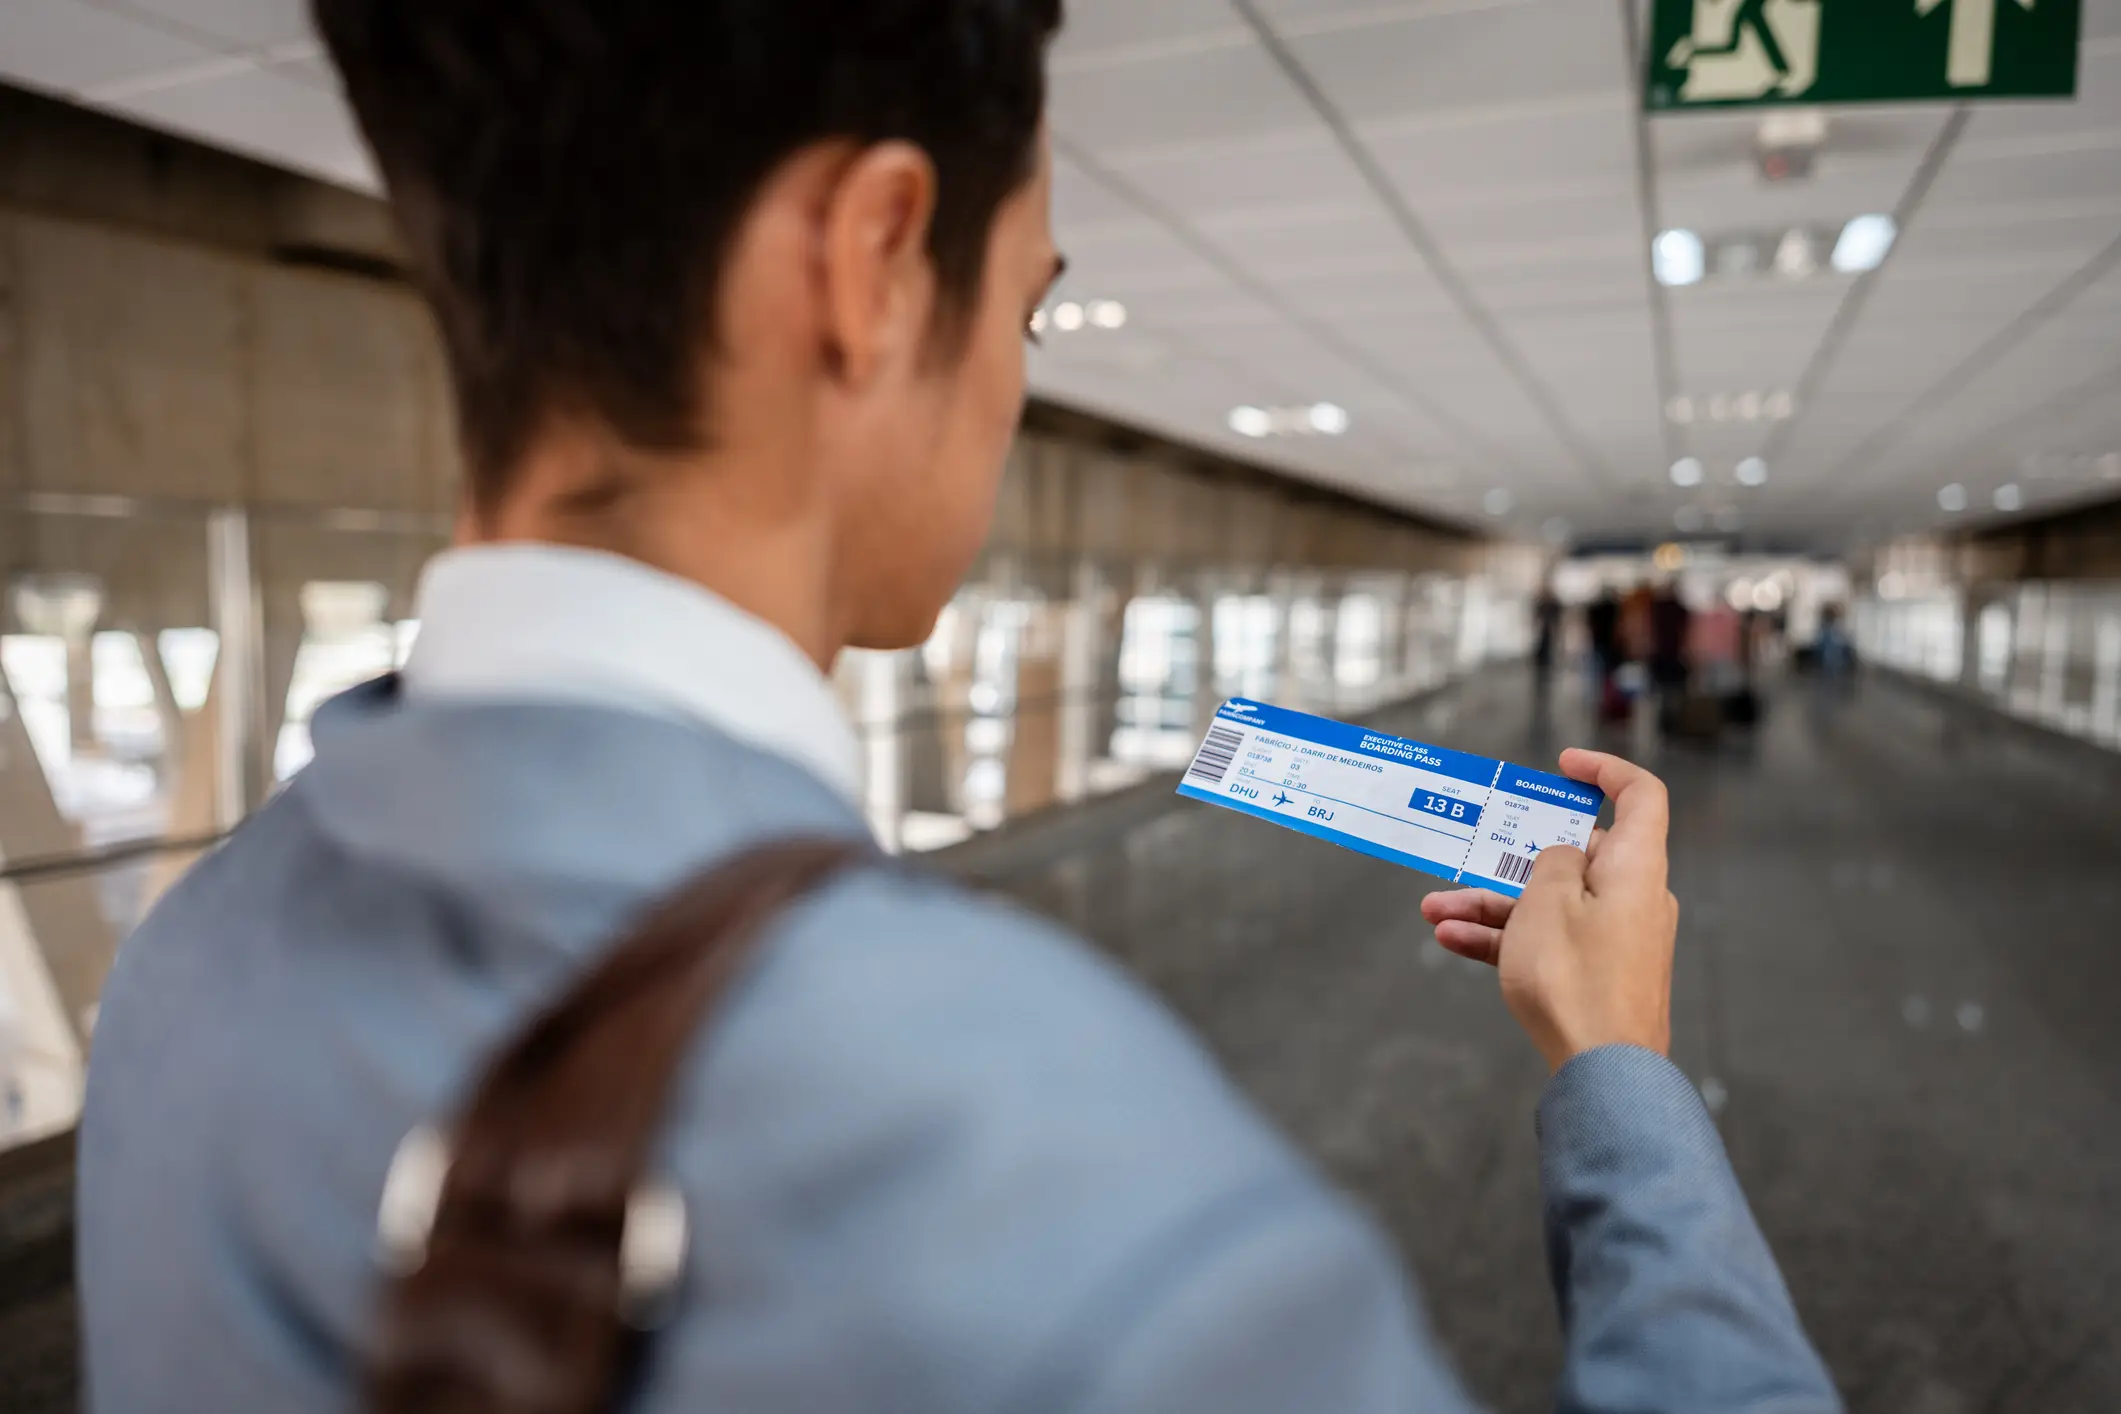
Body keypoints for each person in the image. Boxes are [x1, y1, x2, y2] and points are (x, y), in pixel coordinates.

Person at [77, 4, 1841, 1411]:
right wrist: (1620, 1076)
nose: (1011, 384)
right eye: (1030, 309)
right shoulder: (1071, 1186)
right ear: (872, 260)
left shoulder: (189, 962)